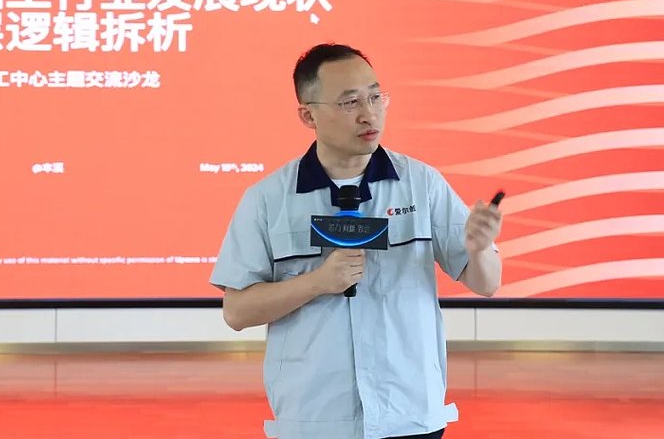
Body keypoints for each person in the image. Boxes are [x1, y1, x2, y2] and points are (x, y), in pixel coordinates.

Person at [209, 43, 503, 439]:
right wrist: (317, 282)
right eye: (350, 102)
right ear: (308, 115)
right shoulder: (268, 199)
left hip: (410, 412)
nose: (369, 113)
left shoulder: (421, 183)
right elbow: (236, 312)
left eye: (375, 97)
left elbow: (487, 283)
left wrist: (480, 249)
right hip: (315, 418)